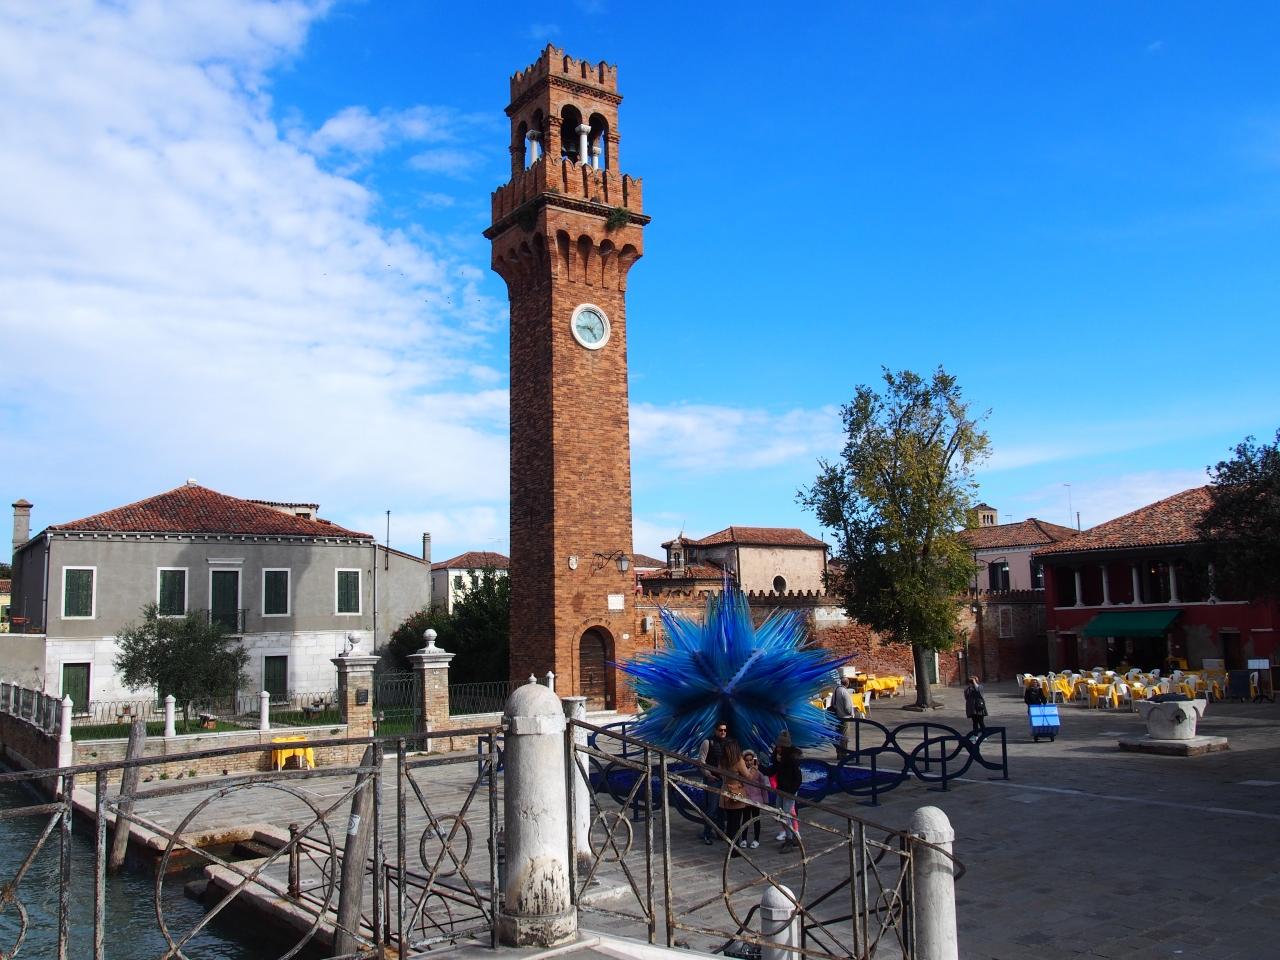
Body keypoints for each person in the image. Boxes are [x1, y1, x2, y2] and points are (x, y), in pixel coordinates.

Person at [696, 721, 729, 845]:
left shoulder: (727, 743)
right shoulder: (708, 742)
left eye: (725, 730)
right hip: (713, 780)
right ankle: (707, 833)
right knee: (712, 808)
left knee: (722, 808)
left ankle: (720, 832)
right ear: (715, 730)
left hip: (724, 780)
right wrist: (708, 774)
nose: (723, 732)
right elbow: (701, 761)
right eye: (721, 730)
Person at [718, 738, 750, 854]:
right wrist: (753, 768)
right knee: (736, 822)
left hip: (725, 792)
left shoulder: (722, 760)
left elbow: (720, 773)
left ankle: (730, 846)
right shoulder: (738, 761)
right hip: (737, 793)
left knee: (730, 822)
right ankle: (735, 849)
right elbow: (748, 776)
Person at [773, 746, 803, 851]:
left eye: (780, 748)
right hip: (781, 791)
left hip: (788, 792)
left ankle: (789, 839)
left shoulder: (792, 762)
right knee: (780, 813)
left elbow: (798, 779)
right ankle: (790, 838)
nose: (778, 750)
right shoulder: (780, 760)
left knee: (785, 815)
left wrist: (791, 792)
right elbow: (772, 771)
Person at [740, 750, 769, 848]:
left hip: (757, 800)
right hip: (746, 799)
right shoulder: (742, 772)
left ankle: (756, 839)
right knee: (745, 819)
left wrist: (765, 800)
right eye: (747, 760)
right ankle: (744, 839)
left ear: (753, 760)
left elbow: (763, 787)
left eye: (750, 760)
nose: (749, 762)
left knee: (756, 819)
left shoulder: (758, 772)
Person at [831, 675, 856, 762]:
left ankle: (839, 753)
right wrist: (850, 713)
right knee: (844, 737)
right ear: (847, 683)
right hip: (844, 717)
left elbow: (832, 703)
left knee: (839, 736)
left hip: (837, 716)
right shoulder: (844, 692)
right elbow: (848, 707)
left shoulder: (836, 690)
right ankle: (843, 755)